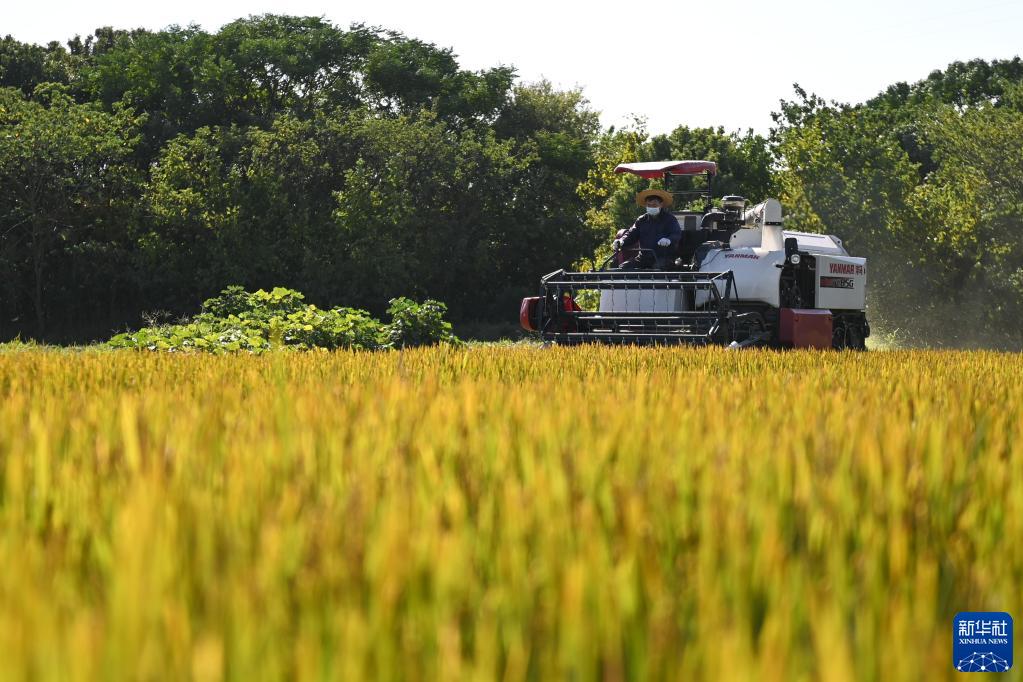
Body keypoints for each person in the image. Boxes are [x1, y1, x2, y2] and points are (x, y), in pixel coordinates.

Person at [613, 189, 682, 269]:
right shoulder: (641, 220)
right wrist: (621, 241)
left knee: (657, 269)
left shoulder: (670, 219)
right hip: (643, 258)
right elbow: (631, 234)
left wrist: (668, 239)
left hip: (664, 258)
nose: (651, 207)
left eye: (654, 205)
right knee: (623, 268)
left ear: (661, 204)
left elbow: (676, 234)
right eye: (649, 205)